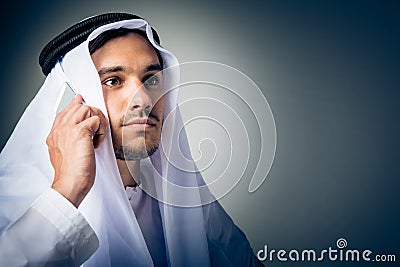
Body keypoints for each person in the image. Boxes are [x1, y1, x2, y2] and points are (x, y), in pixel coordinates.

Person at [0, 13, 262, 266]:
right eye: (113, 81)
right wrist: (68, 190)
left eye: (151, 79)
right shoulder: (10, 204)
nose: (143, 100)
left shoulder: (185, 200)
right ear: (72, 101)